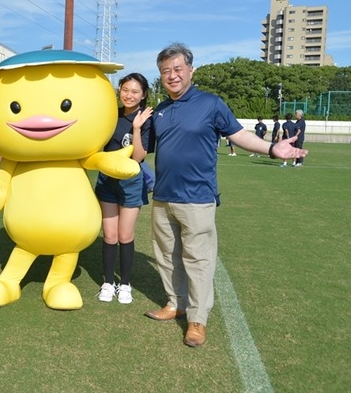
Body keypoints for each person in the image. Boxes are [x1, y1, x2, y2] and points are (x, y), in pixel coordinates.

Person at [144, 43, 307, 348]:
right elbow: (143, 147)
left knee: (199, 259)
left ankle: (197, 320)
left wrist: (272, 148)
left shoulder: (211, 103)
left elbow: (238, 135)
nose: (172, 75)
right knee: (166, 256)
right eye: (165, 71)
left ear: (191, 70)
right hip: (163, 197)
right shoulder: (161, 110)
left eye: (178, 69)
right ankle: (174, 303)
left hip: (197, 198)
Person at [94, 73, 153, 305]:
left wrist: (137, 128)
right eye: (125, 89)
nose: (129, 95)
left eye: (135, 91)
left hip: (131, 183)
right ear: (119, 90)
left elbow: (138, 157)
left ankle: (125, 284)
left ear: (143, 95)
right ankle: (108, 282)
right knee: (109, 236)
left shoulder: (146, 120)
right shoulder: (110, 116)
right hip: (106, 182)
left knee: (125, 235)